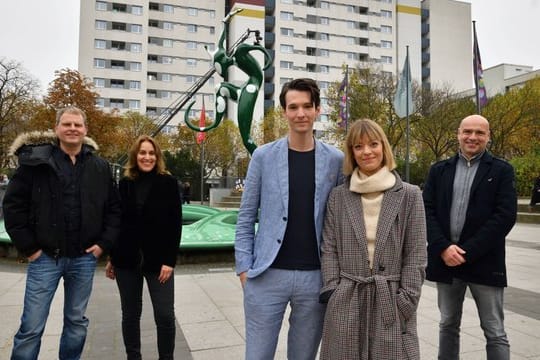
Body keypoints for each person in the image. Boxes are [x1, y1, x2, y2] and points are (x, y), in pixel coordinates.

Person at [235, 78, 344, 360]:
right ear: (284, 111)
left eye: (307, 106)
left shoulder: (335, 160)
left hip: (315, 278)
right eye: (293, 107)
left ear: (318, 110)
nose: (300, 113)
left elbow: (343, 219)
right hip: (266, 275)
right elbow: (246, 217)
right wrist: (244, 269)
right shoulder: (263, 156)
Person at [3, 106, 121, 360]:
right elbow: (13, 207)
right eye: (67, 124)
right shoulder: (35, 162)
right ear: (56, 129)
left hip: (84, 259)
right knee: (31, 327)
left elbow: (114, 209)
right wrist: (30, 249)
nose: (72, 129)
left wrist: (103, 245)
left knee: (76, 324)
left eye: (77, 125)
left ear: (85, 130)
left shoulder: (99, 167)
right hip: (44, 258)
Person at [318, 119, 427, 359]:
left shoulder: (409, 195)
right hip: (347, 296)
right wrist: (332, 290)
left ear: (384, 147)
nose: (367, 151)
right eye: (358, 146)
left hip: (391, 298)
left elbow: (416, 253)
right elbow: (330, 248)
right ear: (351, 153)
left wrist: (406, 300)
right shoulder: (338, 196)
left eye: (373, 144)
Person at [423, 114, 517, 360]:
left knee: (494, 330)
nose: (472, 137)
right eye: (467, 131)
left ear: (488, 137)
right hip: (446, 262)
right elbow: (426, 211)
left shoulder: (502, 171)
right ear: (458, 134)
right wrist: (444, 248)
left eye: (479, 132)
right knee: (447, 324)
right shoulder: (439, 170)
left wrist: (467, 252)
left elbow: (504, 217)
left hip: (484, 262)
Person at [105, 135, 182, 360]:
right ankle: (133, 357)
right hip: (126, 260)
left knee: (165, 315)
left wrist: (170, 261)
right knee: (130, 314)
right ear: (135, 156)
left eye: (151, 153)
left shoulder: (168, 183)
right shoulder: (125, 183)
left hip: (159, 262)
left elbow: (175, 224)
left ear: (157, 157)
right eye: (142, 153)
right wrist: (112, 257)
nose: (146, 157)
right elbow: (118, 222)